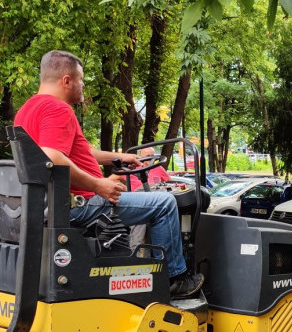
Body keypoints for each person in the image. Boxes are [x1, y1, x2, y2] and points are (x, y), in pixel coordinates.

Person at [14, 50, 203, 298]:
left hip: (51, 203)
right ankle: (173, 279)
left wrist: (120, 157)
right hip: (80, 203)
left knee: (148, 203)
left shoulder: (27, 110)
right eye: (81, 80)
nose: (83, 86)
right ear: (67, 81)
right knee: (165, 204)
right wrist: (98, 185)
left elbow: (75, 153)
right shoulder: (58, 109)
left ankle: (141, 268)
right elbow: (53, 158)